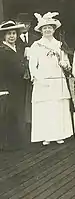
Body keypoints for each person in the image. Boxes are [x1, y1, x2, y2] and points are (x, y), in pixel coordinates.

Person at [29, 12, 73, 146]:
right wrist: (39, 78)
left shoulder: (60, 45)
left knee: (58, 107)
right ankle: (46, 136)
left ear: (54, 29)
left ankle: (60, 134)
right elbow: (32, 65)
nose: (47, 30)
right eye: (44, 28)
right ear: (41, 30)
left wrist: (64, 64)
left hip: (57, 81)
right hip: (43, 81)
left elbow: (67, 63)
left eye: (50, 27)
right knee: (45, 108)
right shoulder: (36, 45)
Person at [0, 21, 27, 150]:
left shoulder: (18, 48)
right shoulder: (2, 51)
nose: (12, 36)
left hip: (18, 86)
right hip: (7, 87)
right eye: (9, 34)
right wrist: (2, 89)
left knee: (16, 113)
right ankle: (6, 144)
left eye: (14, 33)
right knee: (7, 114)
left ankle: (16, 142)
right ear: (4, 36)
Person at [15, 13, 40, 141]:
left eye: (27, 24)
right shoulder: (13, 39)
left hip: (32, 74)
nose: (25, 26)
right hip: (18, 75)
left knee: (30, 98)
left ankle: (31, 123)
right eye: (22, 24)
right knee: (20, 99)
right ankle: (21, 126)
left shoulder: (36, 38)